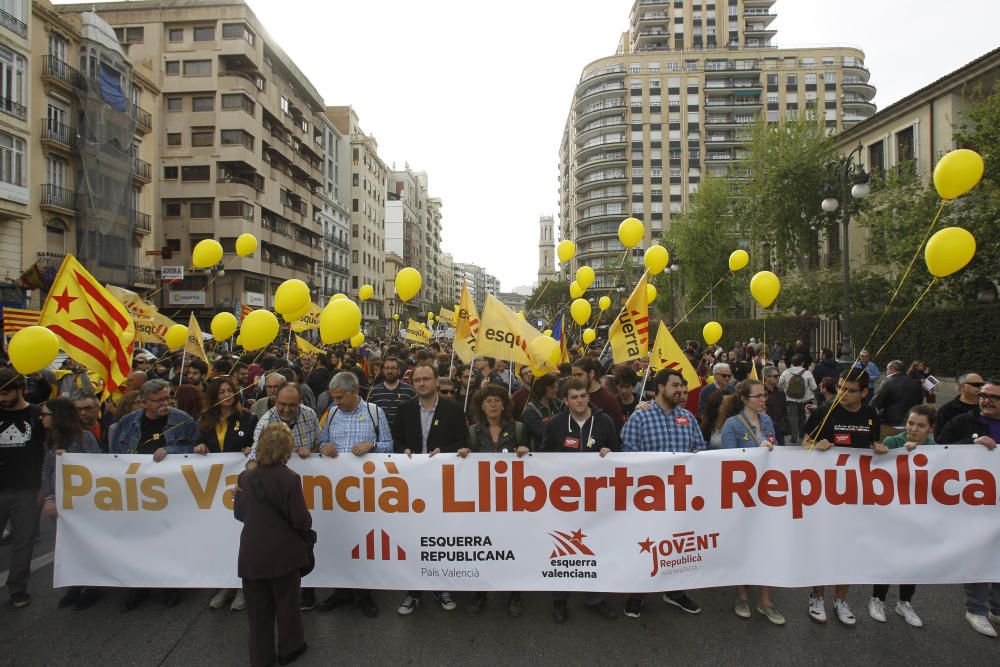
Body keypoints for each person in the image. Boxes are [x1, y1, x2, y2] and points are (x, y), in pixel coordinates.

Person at [110, 379, 200, 612]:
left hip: (172, 493)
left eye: (168, 398)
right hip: (137, 492)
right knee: (138, 541)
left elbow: (198, 449)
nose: (165, 403)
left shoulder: (183, 420)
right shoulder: (127, 423)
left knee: (168, 539)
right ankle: (138, 586)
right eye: (158, 400)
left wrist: (171, 451)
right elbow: (114, 457)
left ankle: (170, 585)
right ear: (143, 402)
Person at [620, 369, 704, 620]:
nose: (680, 390)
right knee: (644, 544)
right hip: (647, 498)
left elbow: (700, 449)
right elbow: (628, 453)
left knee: (676, 545)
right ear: (660, 387)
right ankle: (639, 592)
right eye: (675, 385)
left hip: (679, 497)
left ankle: (674, 591)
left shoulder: (688, 417)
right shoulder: (640, 417)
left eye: (682, 385)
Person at [801, 368, 880, 626]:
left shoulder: (871, 415)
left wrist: (877, 448)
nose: (843, 394)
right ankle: (816, 596)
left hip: (857, 496)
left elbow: (873, 444)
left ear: (865, 393)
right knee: (822, 546)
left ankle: (841, 599)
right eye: (841, 388)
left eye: (850, 390)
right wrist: (814, 445)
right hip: (825, 493)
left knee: (849, 548)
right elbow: (803, 443)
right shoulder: (826, 411)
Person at [539, 378, 620, 623]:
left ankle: (594, 597)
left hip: (596, 499)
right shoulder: (556, 423)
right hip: (563, 500)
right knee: (561, 548)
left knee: (593, 547)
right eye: (574, 397)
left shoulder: (604, 421)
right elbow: (542, 455)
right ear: (565, 401)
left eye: (583, 395)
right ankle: (559, 599)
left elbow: (619, 452)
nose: (580, 400)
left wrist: (610, 454)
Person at [313, 372, 391, 617]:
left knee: (364, 541)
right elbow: (322, 441)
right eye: (333, 397)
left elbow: (389, 445)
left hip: (368, 491)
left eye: (339, 397)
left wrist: (372, 445)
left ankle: (364, 593)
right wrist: (324, 447)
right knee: (339, 539)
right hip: (337, 490)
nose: (334, 402)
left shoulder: (374, 413)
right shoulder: (332, 413)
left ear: (354, 392)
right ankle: (341, 590)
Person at [392, 364, 467, 616]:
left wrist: (444, 453)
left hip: (442, 485)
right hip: (411, 485)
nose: (422, 383)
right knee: (413, 537)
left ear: (436, 381)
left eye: (426, 379)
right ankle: (412, 591)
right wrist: (404, 450)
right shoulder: (403, 410)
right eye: (417, 380)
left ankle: (440, 585)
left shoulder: (454, 410)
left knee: (439, 536)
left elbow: (462, 442)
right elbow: (396, 440)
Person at [234, 423, 310, 667]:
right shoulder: (289, 478)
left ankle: (261, 658)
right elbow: (301, 520)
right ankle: (290, 648)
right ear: (286, 450)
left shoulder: (245, 477)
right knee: (287, 604)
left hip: (251, 554)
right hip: (283, 554)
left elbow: (239, 514)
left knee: (258, 614)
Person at [716, 380, 783, 625]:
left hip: (767, 494)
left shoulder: (768, 422)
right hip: (742, 496)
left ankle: (766, 601)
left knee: (768, 545)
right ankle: (741, 595)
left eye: (763, 395)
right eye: (757, 396)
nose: (762, 399)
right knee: (742, 545)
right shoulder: (732, 426)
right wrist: (756, 453)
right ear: (744, 399)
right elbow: (729, 462)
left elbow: (779, 453)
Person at [461, 384, 529, 617]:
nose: (493, 405)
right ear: (481, 405)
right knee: (484, 549)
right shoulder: (472, 432)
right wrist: (463, 455)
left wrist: (525, 451)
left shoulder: (518, 429)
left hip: (511, 501)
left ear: (504, 404)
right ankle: (481, 592)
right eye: (488, 401)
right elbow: (464, 468)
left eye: (497, 401)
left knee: (513, 548)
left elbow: (536, 461)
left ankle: (514, 594)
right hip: (482, 502)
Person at [867, 404, 938, 628]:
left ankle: (905, 602)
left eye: (920, 425)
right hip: (892, 512)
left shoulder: (936, 449)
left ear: (930, 429)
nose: (914, 429)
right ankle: (877, 599)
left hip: (919, 514)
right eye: (910, 423)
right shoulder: (893, 442)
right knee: (888, 555)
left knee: (913, 559)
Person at [196, 376, 257, 612]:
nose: (225, 395)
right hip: (212, 489)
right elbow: (198, 442)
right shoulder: (204, 421)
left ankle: (242, 588)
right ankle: (224, 586)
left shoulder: (248, 418)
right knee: (219, 538)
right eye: (220, 392)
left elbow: (256, 443)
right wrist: (199, 447)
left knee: (240, 537)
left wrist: (249, 448)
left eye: (229, 390)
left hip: (239, 486)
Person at [40, 397, 102, 610]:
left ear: (57, 416)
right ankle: (74, 585)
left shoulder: (84, 438)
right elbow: (47, 470)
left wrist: (71, 459)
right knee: (66, 546)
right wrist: (49, 498)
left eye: (45, 414)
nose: (41, 418)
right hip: (61, 505)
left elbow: (98, 468)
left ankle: (93, 586)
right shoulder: (51, 438)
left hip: (83, 506)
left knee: (87, 544)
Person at [0, 370, 45, 609]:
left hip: (27, 490)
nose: (2, 398)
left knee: (23, 542)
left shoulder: (37, 415)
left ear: (21, 389)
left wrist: (44, 487)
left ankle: (17, 589)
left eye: (6, 392)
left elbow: (48, 450)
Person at [870, 360, 925, 440]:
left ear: (892, 369)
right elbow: (919, 404)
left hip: (890, 424)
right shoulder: (916, 383)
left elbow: (874, 404)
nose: (887, 372)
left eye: (887, 369)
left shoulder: (888, 382)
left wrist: (872, 422)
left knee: (886, 448)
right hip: (909, 426)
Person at [571, 358, 625, 431]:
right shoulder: (575, 398)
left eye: (579, 375)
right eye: (574, 375)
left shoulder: (608, 400)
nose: (575, 379)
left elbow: (618, 430)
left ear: (591, 373)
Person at [777, 355, 816, 445]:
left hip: (790, 399)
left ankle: (794, 437)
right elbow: (814, 387)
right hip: (804, 400)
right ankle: (802, 434)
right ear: (802, 363)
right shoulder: (807, 373)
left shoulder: (786, 372)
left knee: (793, 418)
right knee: (802, 416)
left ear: (791, 363)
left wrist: (786, 388)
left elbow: (779, 384)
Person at [368, 357, 415, 430]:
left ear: (399, 371)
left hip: (403, 436)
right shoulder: (374, 391)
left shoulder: (409, 391)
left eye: (393, 368)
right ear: (383, 370)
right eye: (387, 368)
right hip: (381, 437)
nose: (390, 371)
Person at [934, 372, 984, 439]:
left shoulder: (987, 407)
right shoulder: (947, 409)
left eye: (982, 385)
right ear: (962, 386)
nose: (980, 387)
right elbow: (939, 438)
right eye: (976, 384)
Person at [520, 373, 561, 451]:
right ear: (541, 388)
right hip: (539, 457)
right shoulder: (530, 412)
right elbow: (545, 435)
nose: (556, 390)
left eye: (556, 386)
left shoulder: (558, 405)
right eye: (552, 387)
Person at [762, 366, 786, 446]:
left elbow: (784, 408)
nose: (778, 378)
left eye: (778, 376)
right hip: (766, 428)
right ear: (766, 377)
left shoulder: (780, 391)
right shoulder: (761, 392)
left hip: (779, 427)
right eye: (775, 376)